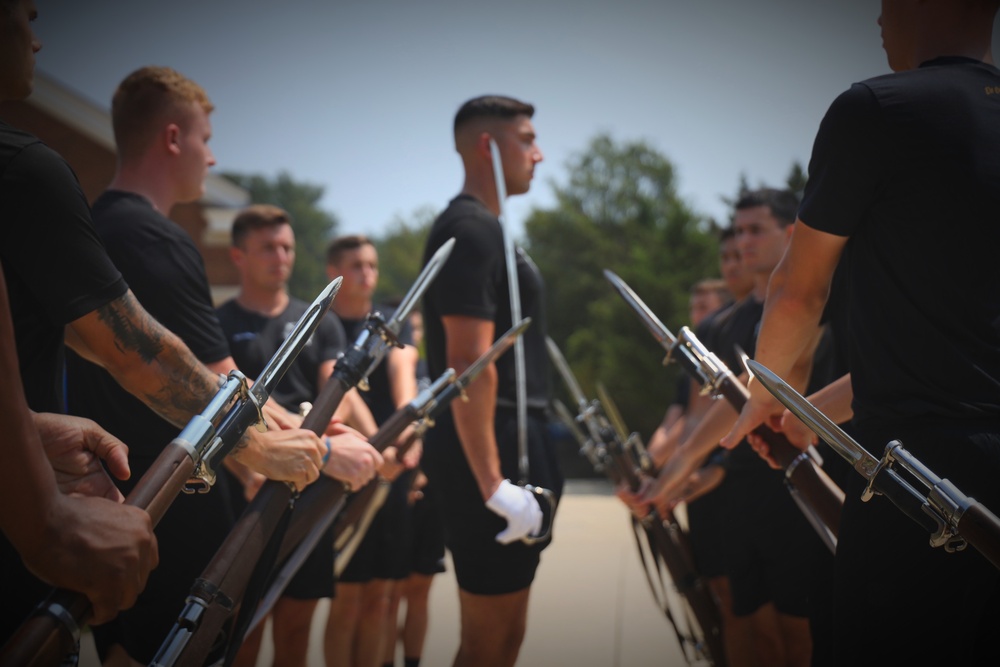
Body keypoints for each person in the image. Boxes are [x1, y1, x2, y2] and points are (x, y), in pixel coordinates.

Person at [63, 66, 379, 666]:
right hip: (176, 513)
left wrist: (305, 431)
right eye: (206, 140)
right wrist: (331, 453)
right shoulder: (157, 239)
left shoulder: (88, 228)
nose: (211, 159)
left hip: (112, 498)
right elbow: (225, 391)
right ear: (174, 138)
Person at [725, 2, 1000, 664]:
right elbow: (945, 350)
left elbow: (799, 291)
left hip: (920, 478)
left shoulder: (877, 109)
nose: (876, 15)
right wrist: (807, 417)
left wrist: (769, 399)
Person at [633, 189, 835, 667]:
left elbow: (763, 384)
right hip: (741, 494)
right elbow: (705, 414)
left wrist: (675, 474)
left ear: (791, 233)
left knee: (803, 634)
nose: (742, 242)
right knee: (750, 627)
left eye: (754, 230)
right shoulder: (725, 325)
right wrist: (666, 476)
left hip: (800, 487)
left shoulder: (818, 299)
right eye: (737, 230)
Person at [420, 95, 563, 667]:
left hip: (510, 440)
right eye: (526, 139)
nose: (539, 153)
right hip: (488, 450)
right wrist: (491, 484)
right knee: (486, 643)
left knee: (505, 641)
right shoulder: (470, 228)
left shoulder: (490, 228)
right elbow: (469, 367)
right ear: (488, 146)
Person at [216, 204, 381, 667]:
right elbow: (221, 405)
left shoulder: (320, 320)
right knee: (239, 633)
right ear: (238, 256)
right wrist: (251, 464)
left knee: (295, 627)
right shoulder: (219, 323)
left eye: (286, 246)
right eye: (267, 247)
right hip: (242, 488)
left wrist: (309, 440)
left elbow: (338, 391)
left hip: (308, 481)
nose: (280, 256)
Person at [642, 229, 753, 667]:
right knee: (721, 595)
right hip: (701, 480)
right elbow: (683, 420)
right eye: (694, 309)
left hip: (737, 479)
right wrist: (654, 468)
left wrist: (685, 471)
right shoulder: (705, 340)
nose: (697, 316)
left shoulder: (741, 330)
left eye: (704, 307)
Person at [323, 234, 420, 667]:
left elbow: (406, 382)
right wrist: (379, 447)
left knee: (384, 598)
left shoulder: (392, 324)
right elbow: (337, 389)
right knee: (347, 599)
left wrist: (405, 442)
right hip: (350, 470)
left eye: (372, 266)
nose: (367, 274)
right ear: (334, 271)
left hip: (394, 467)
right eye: (357, 265)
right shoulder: (323, 325)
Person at [383, 308, 447, 667]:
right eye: (412, 328)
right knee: (389, 593)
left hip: (432, 496)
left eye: (421, 327)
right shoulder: (393, 371)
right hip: (397, 491)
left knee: (420, 591)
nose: (417, 334)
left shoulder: (437, 372)